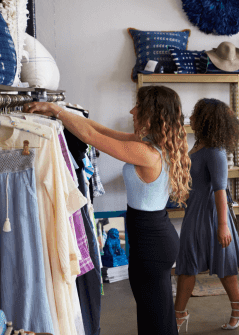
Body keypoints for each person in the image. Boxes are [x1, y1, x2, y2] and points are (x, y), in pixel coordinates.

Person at [26, 86, 191, 335]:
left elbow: (92, 137)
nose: (132, 111)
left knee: (154, 318)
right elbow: (100, 131)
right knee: (156, 314)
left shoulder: (146, 153)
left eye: (139, 106)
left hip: (151, 243)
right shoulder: (151, 145)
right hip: (152, 237)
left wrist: (57, 110)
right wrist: (69, 114)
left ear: (152, 113)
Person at [174, 98, 239, 331]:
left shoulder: (215, 152)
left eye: (196, 114)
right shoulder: (199, 146)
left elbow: (220, 190)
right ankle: (237, 305)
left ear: (207, 119)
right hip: (195, 212)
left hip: (213, 215)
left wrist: (224, 226)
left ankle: (178, 314)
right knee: (189, 262)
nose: (191, 117)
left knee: (218, 263)